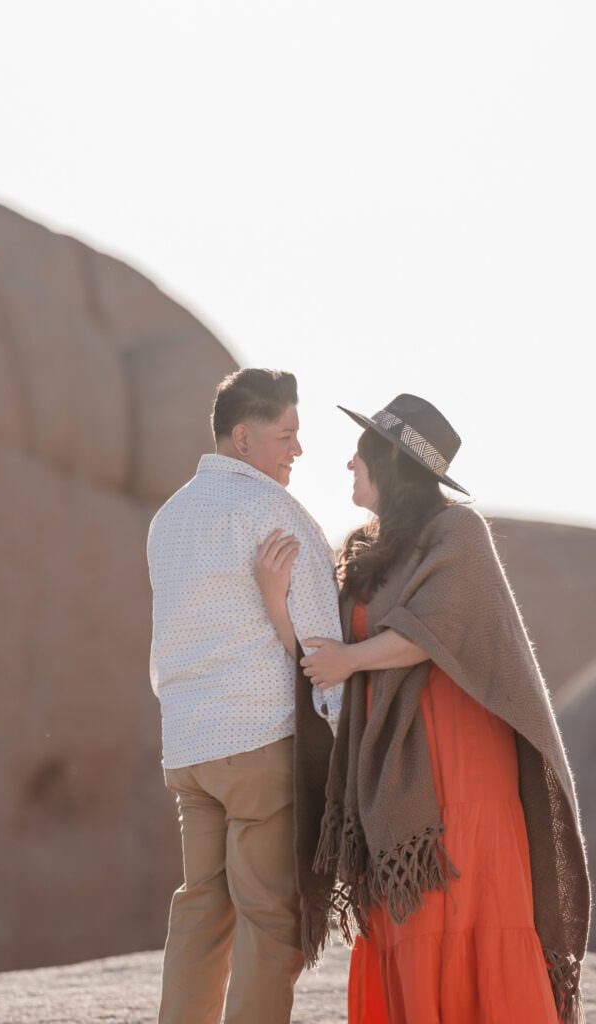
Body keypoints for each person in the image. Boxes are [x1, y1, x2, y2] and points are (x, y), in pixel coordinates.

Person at [256, 393, 591, 1024]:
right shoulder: (362, 547)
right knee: (409, 924)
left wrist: (351, 661)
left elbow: (431, 629)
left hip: (464, 769)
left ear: (390, 461)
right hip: (391, 778)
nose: (348, 461)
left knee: (471, 913)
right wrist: (278, 599)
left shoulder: (458, 531)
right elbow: (321, 654)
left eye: (361, 450)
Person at [146, 368, 343, 1024]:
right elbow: (322, 650)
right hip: (259, 743)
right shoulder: (273, 513)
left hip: (189, 747)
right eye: (284, 435)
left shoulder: (169, 517)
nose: (297, 450)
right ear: (241, 437)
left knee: (199, 905)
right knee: (267, 917)